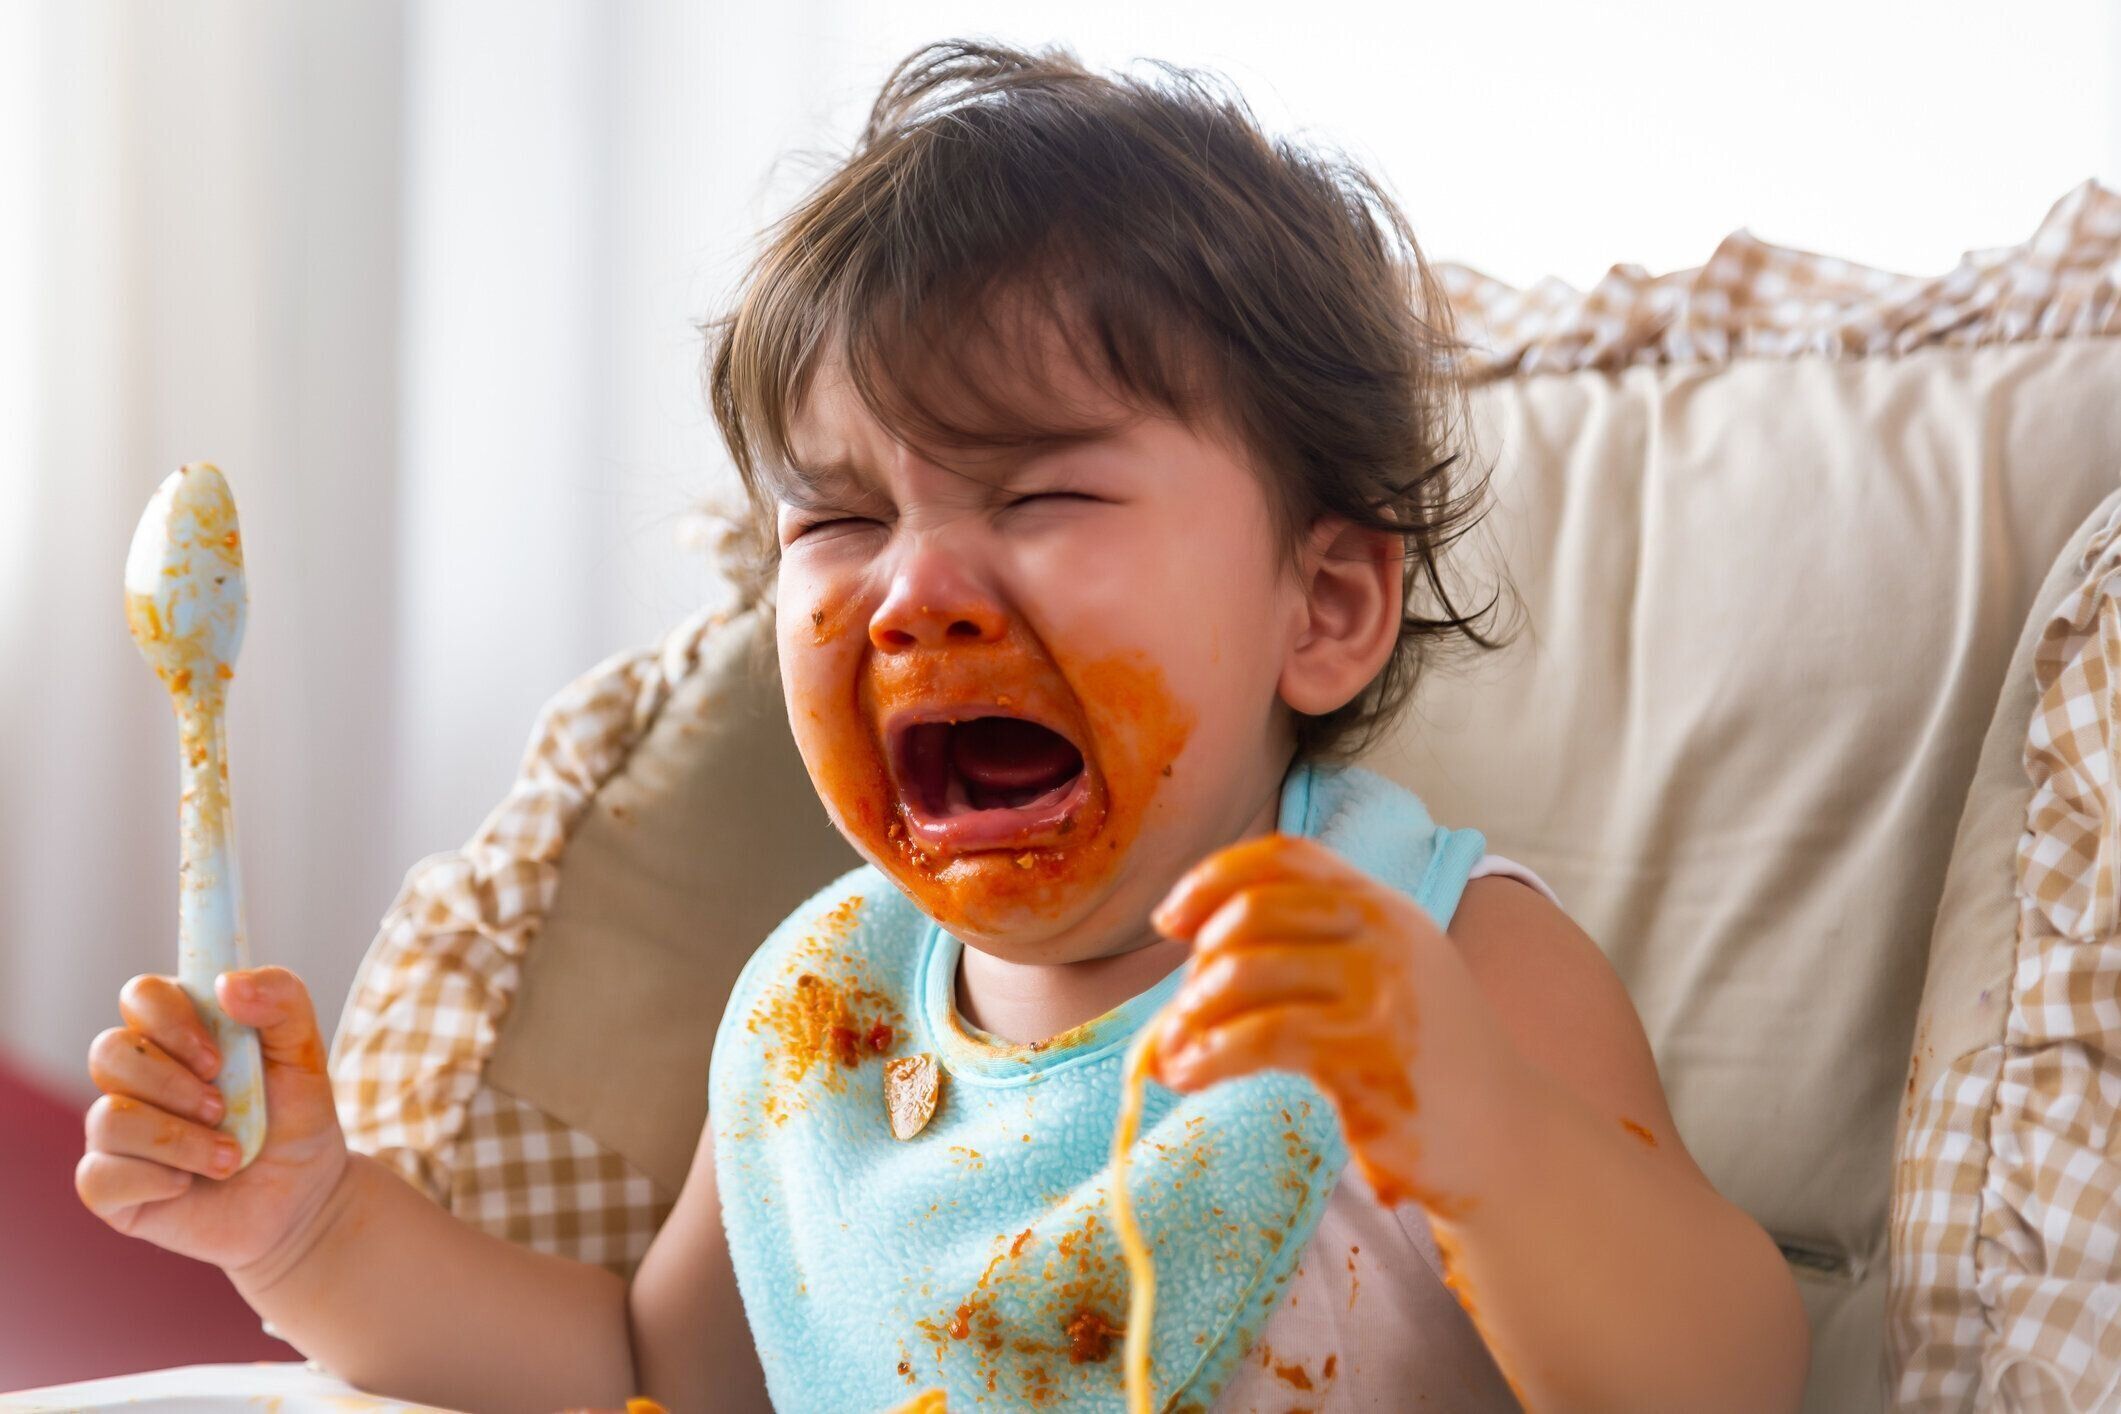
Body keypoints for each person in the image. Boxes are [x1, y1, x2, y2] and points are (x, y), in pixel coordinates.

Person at [77, 39, 1809, 1413]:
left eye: (1042, 487)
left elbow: (1732, 1382)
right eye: (835, 523)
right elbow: (649, 1372)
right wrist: (308, 1226)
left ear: (1324, 607)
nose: (912, 591)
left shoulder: (1427, 965)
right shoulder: (818, 1022)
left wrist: (1484, 1129)